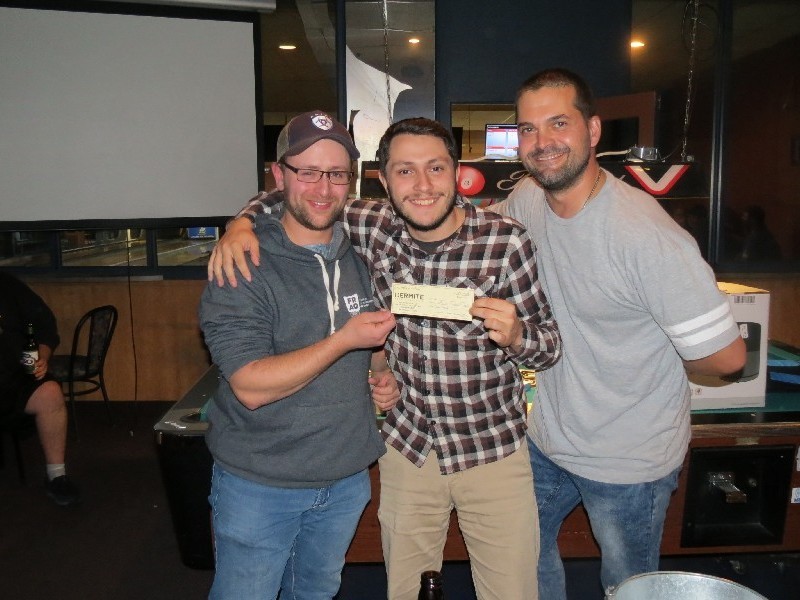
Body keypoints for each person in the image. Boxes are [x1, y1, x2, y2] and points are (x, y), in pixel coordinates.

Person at [209, 117, 562, 599]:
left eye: (435, 168)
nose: (423, 186)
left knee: (512, 593)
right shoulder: (372, 225)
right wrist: (240, 223)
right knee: (406, 592)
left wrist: (519, 336)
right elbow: (297, 192)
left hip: (491, 451)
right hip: (408, 448)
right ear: (383, 180)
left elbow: (549, 346)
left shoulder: (506, 241)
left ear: (457, 172)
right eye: (405, 171)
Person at [492, 68, 746, 598]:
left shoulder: (646, 237)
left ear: (593, 130)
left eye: (558, 123)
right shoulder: (528, 198)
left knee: (626, 587)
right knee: (517, 552)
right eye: (528, 129)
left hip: (629, 458)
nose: (542, 142)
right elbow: (474, 233)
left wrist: (651, 359)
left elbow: (727, 359)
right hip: (549, 438)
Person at [198, 110, 399, 599]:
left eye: (336, 174)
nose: (323, 188)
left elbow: (366, 342)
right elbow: (250, 385)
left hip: (346, 477)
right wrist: (344, 341)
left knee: (315, 594)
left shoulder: (364, 252)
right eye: (307, 172)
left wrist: (380, 369)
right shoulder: (243, 263)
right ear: (279, 176)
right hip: (261, 484)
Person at [0, 271, 81, 507]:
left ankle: (57, 475)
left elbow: (45, 324)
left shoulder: (8, 285)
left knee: (50, 393)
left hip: (14, 377)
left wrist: (42, 356)